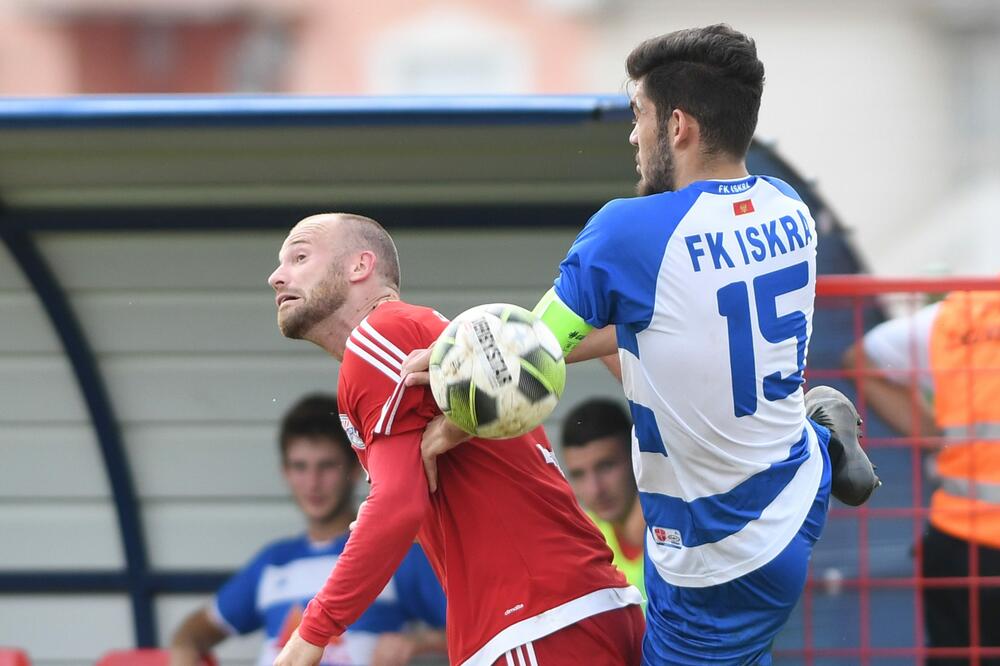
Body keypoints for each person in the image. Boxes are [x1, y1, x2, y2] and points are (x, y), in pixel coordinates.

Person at [405, 24, 880, 665]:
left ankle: (825, 430)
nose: (634, 136)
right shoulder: (787, 208)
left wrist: (449, 387)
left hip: (715, 555)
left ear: (678, 126)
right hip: (793, 490)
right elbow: (660, 320)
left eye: (640, 116)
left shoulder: (628, 234)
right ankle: (824, 433)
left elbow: (525, 358)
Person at [267, 213, 644, 666]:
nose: (276, 276)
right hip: (567, 611)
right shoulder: (416, 337)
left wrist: (309, 638)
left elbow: (398, 506)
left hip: (531, 620)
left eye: (300, 256)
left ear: (360, 266)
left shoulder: (377, 337)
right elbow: (406, 502)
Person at [169, 394, 447, 666]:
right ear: (285, 472)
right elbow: (194, 632)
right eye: (300, 467)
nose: (313, 483)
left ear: (354, 466)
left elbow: (469, 627)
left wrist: (418, 643)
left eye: (326, 466)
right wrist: (184, 650)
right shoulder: (273, 562)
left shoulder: (394, 550)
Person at [845, 287, 1000, 665]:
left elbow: (862, 358)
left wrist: (936, 437)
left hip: (962, 543)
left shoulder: (959, 317)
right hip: (965, 544)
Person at [561, 398, 645, 598]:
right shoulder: (580, 540)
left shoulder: (681, 522)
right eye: (578, 474)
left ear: (635, 457)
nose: (595, 489)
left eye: (606, 466)